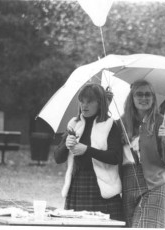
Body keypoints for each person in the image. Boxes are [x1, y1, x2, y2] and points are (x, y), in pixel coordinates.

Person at [54, 83, 123, 221]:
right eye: (82, 101)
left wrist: (87, 150)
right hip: (77, 184)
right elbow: (57, 158)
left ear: (100, 103)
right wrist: (66, 145)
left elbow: (116, 157)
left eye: (89, 102)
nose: (84, 105)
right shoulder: (74, 123)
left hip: (101, 189)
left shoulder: (110, 125)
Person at [119, 79, 165, 228]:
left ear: (153, 98)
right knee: (131, 225)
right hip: (128, 181)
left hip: (154, 183)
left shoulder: (161, 122)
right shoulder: (121, 123)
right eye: (139, 94)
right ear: (132, 97)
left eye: (148, 95)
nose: (143, 98)